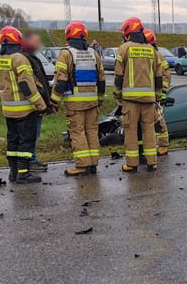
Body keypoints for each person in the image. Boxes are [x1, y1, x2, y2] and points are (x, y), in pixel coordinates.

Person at [0, 26, 47, 184]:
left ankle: (13, 172)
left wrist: (3, 100)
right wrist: (41, 105)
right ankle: (23, 173)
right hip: (24, 110)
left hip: (8, 109)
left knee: (12, 141)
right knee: (26, 142)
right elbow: (27, 86)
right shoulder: (19, 58)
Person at [51, 21, 106, 176]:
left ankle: (82, 165)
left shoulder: (66, 53)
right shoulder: (94, 53)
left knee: (77, 132)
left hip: (75, 103)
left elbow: (61, 80)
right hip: (93, 102)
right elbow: (101, 79)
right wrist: (100, 99)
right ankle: (93, 164)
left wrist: (54, 101)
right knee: (92, 131)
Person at [114, 17, 162, 172]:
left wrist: (117, 95)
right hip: (149, 100)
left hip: (130, 101)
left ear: (128, 33)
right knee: (149, 130)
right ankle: (152, 162)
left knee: (131, 131)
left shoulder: (124, 48)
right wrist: (157, 97)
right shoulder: (152, 50)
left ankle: (132, 164)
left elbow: (119, 76)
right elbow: (158, 77)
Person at [21, 32, 51, 172]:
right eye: (36, 41)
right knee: (31, 135)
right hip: (32, 105)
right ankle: (30, 161)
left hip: (35, 103)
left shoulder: (31, 57)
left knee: (33, 134)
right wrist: (42, 105)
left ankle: (30, 160)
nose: (39, 44)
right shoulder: (26, 59)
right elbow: (34, 84)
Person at [142, 28, 170, 157]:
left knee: (158, 121)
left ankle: (163, 145)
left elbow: (166, 75)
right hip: (150, 94)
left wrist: (161, 93)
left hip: (156, 95)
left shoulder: (157, 55)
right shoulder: (150, 53)